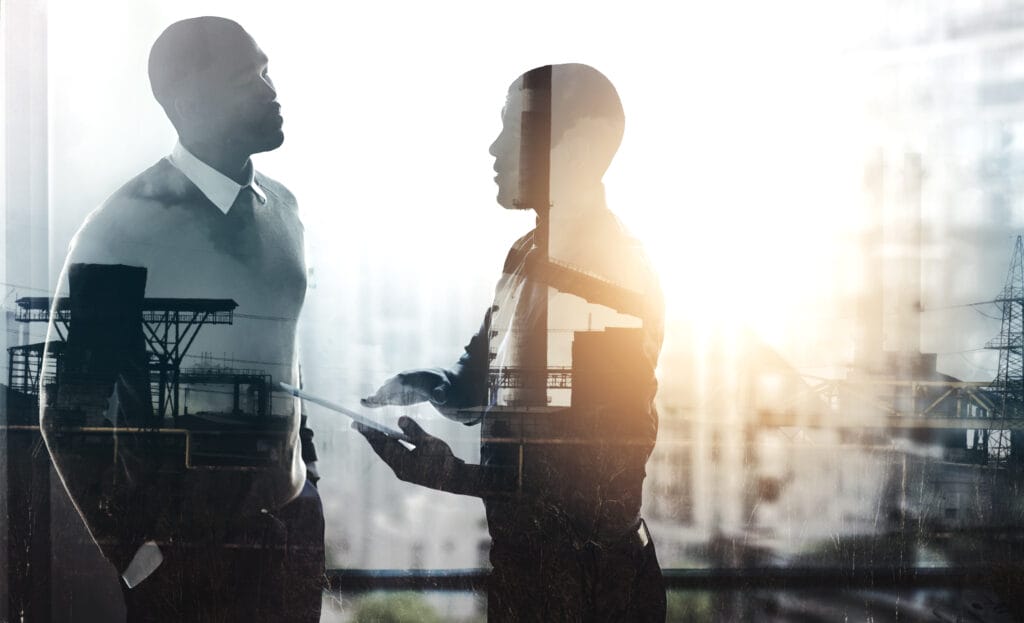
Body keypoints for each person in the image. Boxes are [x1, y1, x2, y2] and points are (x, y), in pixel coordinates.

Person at [357, 63, 666, 622]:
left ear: (581, 144)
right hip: (534, 577)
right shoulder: (526, 252)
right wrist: (429, 384)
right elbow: (480, 383)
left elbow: (593, 477)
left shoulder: (611, 273)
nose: (495, 147)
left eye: (514, 127)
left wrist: (453, 476)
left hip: (590, 588)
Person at [40, 17, 323, 621]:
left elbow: (284, 353)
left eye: (267, 71)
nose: (272, 90)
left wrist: (310, 475)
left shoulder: (287, 210)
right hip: (186, 555)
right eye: (249, 77)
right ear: (190, 101)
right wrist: (132, 553)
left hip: (291, 528)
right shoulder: (123, 226)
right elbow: (64, 406)